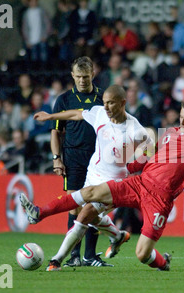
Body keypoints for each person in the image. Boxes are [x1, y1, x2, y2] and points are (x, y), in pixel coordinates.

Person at [21, 98, 184, 271]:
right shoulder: (171, 133)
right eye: (180, 117)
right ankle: (40, 213)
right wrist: (132, 166)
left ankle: (163, 264)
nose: (181, 122)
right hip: (138, 184)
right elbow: (155, 158)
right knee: (89, 195)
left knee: (142, 254)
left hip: (158, 201)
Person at [24, 84, 151, 271]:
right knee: (91, 217)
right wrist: (51, 116)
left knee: (83, 214)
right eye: (105, 102)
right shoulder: (100, 113)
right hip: (93, 175)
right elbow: (75, 114)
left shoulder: (134, 129)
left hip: (114, 184)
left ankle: (56, 259)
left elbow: (150, 150)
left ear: (123, 103)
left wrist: (135, 166)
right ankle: (117, 236)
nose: (106, 107)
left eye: (111, 103)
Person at [50, 56, 108, 268]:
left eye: (86, 76)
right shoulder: (64, 100)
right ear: (72, 76)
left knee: (95, 207)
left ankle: (90, 256)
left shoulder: (104, 97)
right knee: (74, 206)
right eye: (78, 77)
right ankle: (74, 256)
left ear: (92, 74)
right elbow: (56, 132)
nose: (82, 80)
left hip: (98, 159)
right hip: (73, 157)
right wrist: (57, 159)